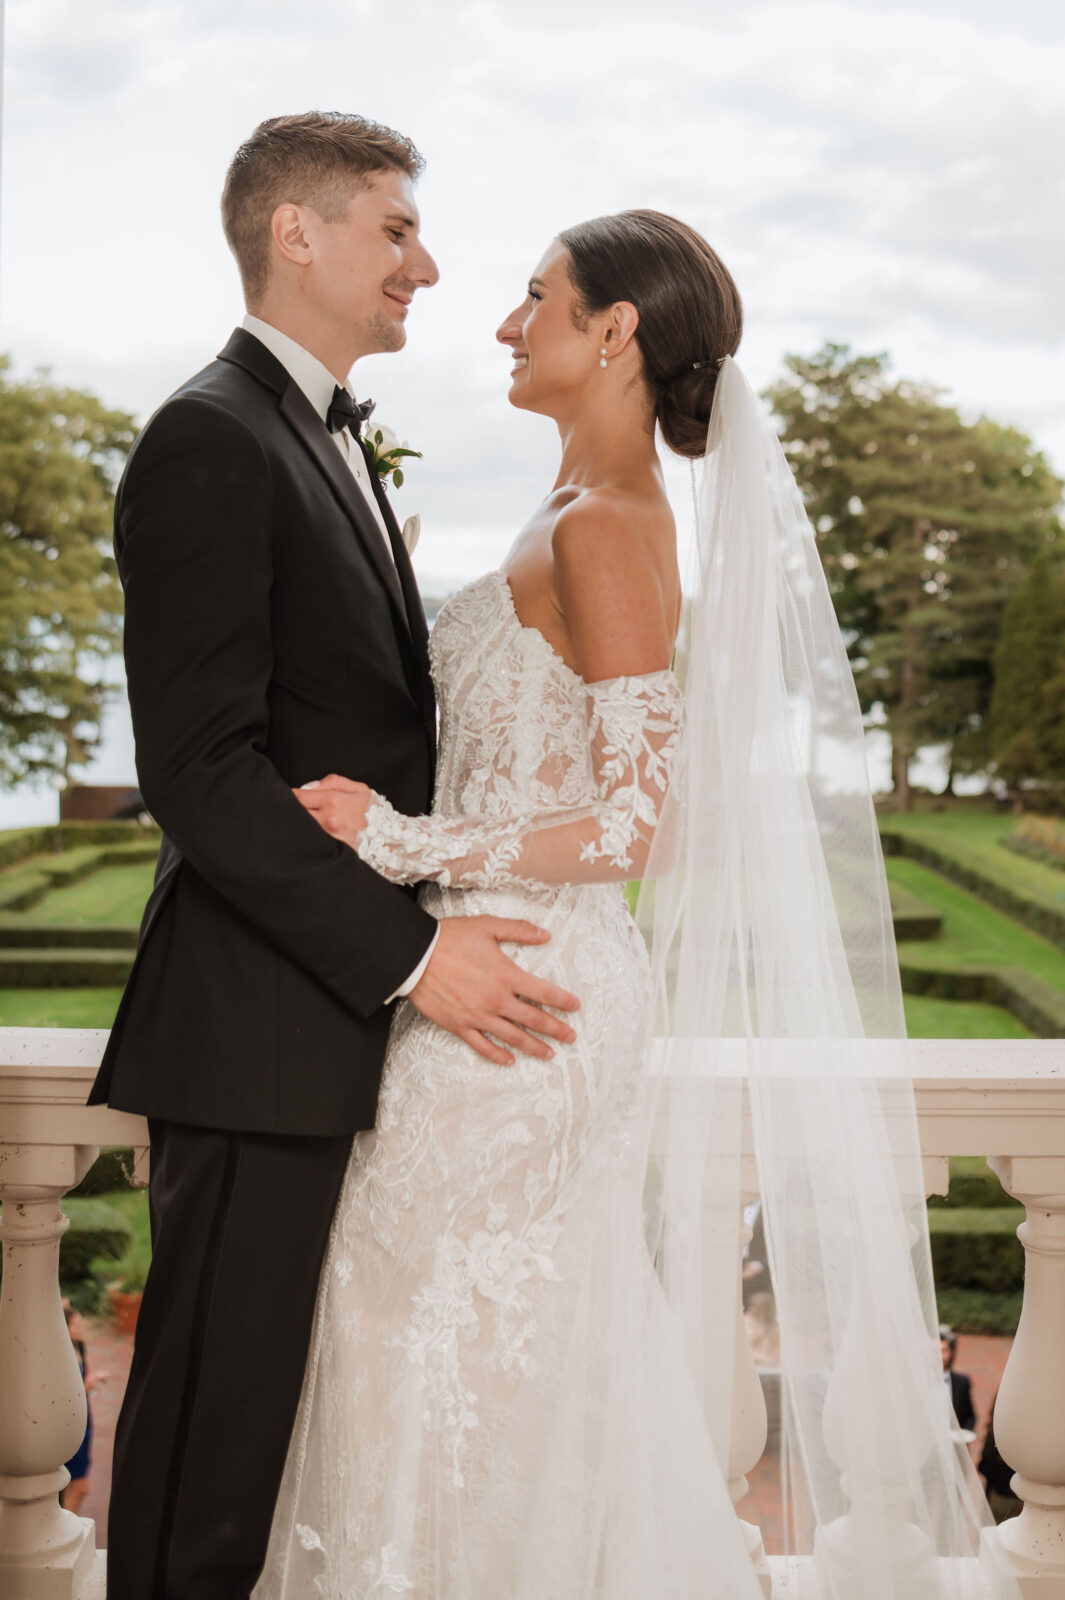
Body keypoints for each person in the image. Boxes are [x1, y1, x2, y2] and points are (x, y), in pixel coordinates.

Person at [256, 210, 1014, 1600]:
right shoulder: (569, 514)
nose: (501, 321)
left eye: (531, 296)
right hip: (502, 972)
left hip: (525, 996)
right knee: (442, 1337)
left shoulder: (609, 527)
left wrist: (401, 839)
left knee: (440, 1336)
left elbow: (631, 821)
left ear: (613, 332)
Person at [86, 112, 579, 1600]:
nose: (424, 263)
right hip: (252, 1031)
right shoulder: (210, 434)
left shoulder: (317, 432)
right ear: (294, 233)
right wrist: (417, 955)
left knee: (279, 1446)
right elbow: (200, 772)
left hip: (319, 1027)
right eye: (394, 227)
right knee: (210, 1460)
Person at [59, 1302, 110, 1515]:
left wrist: (90, 1380)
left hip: (85, 1422)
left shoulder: (79, 1347)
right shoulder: (60, 1357)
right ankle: (65, 1529)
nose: (81, 1330)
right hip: (69, 1426)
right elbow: (58, 1393)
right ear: (64, 1329)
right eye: (76, 1326)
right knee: (80, 1487)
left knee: (72, 1486)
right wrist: (85, 1386)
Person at [941, 1324, 977, 1433]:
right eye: (934, 1351)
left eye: (943, 1351)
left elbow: (970, 1416)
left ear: (951, 1352)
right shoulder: (918, 1385)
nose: (938, 1356)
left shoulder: (962, 1382)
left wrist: (964, 1434)